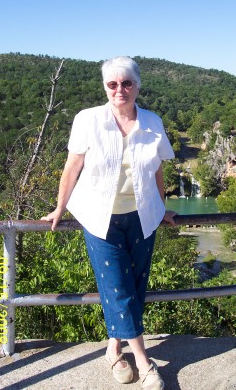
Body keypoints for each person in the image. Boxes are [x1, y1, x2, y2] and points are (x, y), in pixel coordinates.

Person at [41, 56, 177, 389]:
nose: (120, 90)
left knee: (135, 286)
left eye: (127, 83)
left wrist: (163, 208)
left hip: (142, 216)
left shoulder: (151, 122)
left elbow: (157, 170)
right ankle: (145, 363)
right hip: (100, 219)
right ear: (105, 87)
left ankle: (113, 350)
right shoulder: (88, 120)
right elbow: (72, 167)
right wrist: (60, 208)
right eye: (112, 84)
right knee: (118, 287)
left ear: (138, 85)